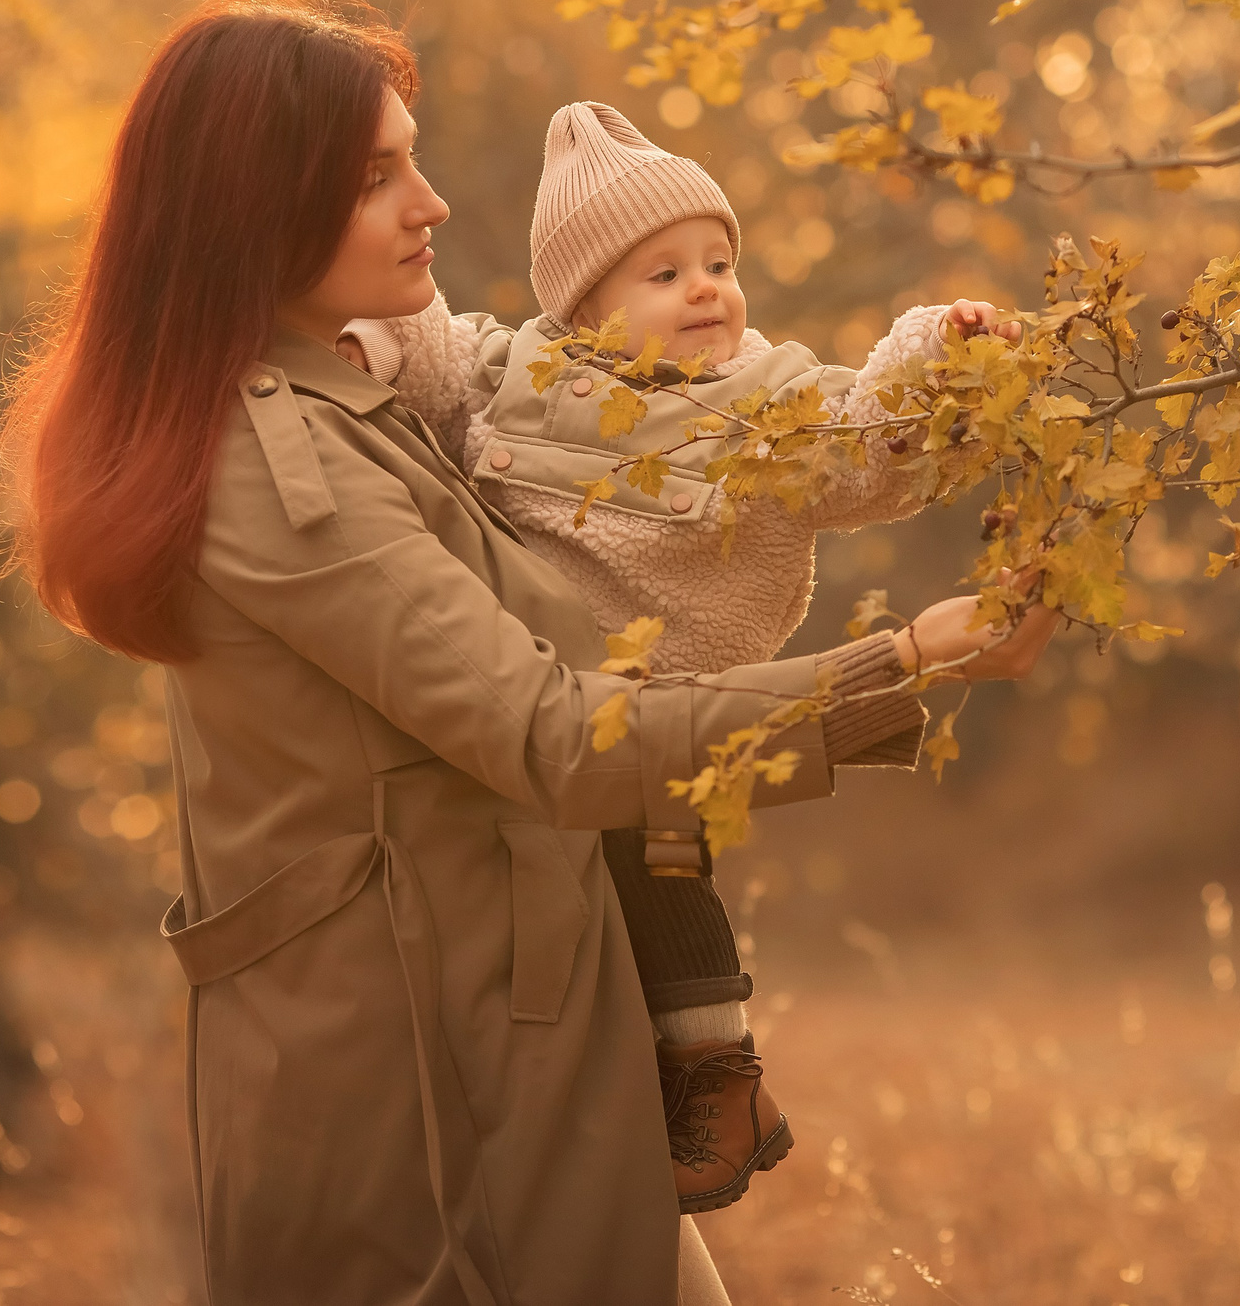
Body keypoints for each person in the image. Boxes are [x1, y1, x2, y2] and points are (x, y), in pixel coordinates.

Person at [0, 0, 1057, 1306]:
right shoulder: (279, 464)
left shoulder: (353, 401)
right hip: (426, 1111)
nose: (430, 203)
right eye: (377, 176)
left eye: (412, 160)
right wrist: (901, 665)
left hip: (505, 1046)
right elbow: (556, 734)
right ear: (256, 204)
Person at [341, 100, 1021, 1216]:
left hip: (677, 697)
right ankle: (631, 1084)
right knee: (569, 897)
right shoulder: (521, 370)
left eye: (718, 263)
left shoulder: (766, 406)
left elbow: (873, 449)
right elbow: (430, 350)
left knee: (657, 859)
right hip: (544, 688)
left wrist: (939, 353)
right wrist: (365, 346)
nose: (706, 290)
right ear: (583, 308)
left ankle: (720, 1071)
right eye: (663, 275)